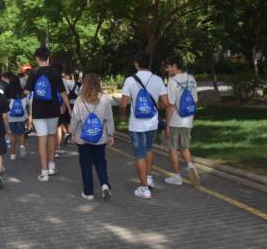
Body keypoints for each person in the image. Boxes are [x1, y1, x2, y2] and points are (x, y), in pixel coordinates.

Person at [120, 51, 168, 199]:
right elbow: (166, 103)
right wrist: (156, 107)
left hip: (136, 124)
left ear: (136, 64)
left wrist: (122, 115)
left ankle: (144, 188)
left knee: (139, 154)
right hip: (152, 123)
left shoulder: (130, 80)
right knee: (148, 149)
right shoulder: (158, 80)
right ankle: (148, 177)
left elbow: (123, 104)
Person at [24, 45, 71, 182]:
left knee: (42, 139)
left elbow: (27, 92)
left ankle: (44, 172)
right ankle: (51, 166)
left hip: (38, 111)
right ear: (48, 57)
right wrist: (68, 107)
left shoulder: (33, 73)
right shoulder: (55, 72)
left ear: (37, 58)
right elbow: (62, 92)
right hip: (53, 110)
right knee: (52, 137)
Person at [69, 73, 114, 201]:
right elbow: (109, 118)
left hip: (83, 138)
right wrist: (110, 134)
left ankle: (88, 192)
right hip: (100, 138)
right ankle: (104, 184)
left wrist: (72, 132)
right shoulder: (105, 99)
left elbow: (75, 118)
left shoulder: (80, 99)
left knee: (86, 164)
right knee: (100, 161)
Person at [164, 56, 200, 186]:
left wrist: (167, 125)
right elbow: (195, 102)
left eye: (168, 67)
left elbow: (171, 105)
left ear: (174, 65)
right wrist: (191, 120)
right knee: (184, 147)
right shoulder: (191, 78)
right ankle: (190, 165)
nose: (167, 70)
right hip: (188, 120)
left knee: (173, 148)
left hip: (175, 121)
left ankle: (177, 176)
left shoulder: (173, 81)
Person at [5, 74, 29, 160]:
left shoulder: (7, 89)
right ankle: (22, 146)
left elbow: (5, 102)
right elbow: (26, 103)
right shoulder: (21, 91)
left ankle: (12, 154)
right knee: (21, 132)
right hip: (21, 115)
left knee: (12, 134)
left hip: (10, 115)